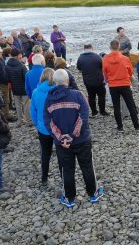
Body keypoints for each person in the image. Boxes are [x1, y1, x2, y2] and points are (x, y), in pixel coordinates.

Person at [43, 69, 103, 208]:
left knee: (67, 169)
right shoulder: (78, 95)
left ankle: (69, 198)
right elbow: (83, 116)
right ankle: (93, 194)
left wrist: (61, 138)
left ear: (54, 82)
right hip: (81, 140)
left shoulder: (48, 98)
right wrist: (71, 136)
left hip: (62, 143)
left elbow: (48, 122)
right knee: (87, 166)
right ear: (68, 81)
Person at [103, 40, 139, 132]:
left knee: (116, 107)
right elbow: (130, 71)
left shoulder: (106, 59)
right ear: (119, 47)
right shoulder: (125, 58)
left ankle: (120, 127)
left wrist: (108, 79)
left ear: (110, 48)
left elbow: (105, 72)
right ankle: (136, 126)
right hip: (124, 84)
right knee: (130, 105)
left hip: (113, 85)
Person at [30, 68, 58, 187]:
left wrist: (37, 124)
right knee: (62, 153)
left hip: (43, 128)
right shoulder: (57, 91)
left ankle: (44, 178)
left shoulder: (36, 92)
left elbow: (33, 111)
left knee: (45, 154)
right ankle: (63, 175)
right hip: (58, 128)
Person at [76, 44, 107, 116]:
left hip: (88, 81)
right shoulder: (97, 57)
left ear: (84, 49)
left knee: (91, 96)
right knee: (101, 95)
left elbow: (79, 68)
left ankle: (94, 111)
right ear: (91, 48)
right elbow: (102, 66)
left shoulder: (80, 58)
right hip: (98, 80)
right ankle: (102, 111)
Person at [5, 49, 29, 126]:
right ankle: (29, 120)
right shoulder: (21, 65)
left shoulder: (7, 65)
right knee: (26, 105)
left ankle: (20, 120)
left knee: (18, 105)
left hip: (14, 87)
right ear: (18, 55)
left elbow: (6, 77)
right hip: (23, 87)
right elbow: (26, 77)